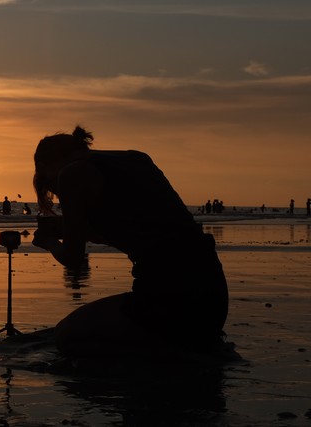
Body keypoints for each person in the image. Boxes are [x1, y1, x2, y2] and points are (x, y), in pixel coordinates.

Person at [32, 126, 228, 357]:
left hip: (171, 296)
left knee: (66, 333)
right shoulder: (136, 159)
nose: (53, 189)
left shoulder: (72, 174)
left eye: (47, 181)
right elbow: (140, 231)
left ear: (47, 165)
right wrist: (76, 229)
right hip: (212, 293)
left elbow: (73, 259)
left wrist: (49, 242)